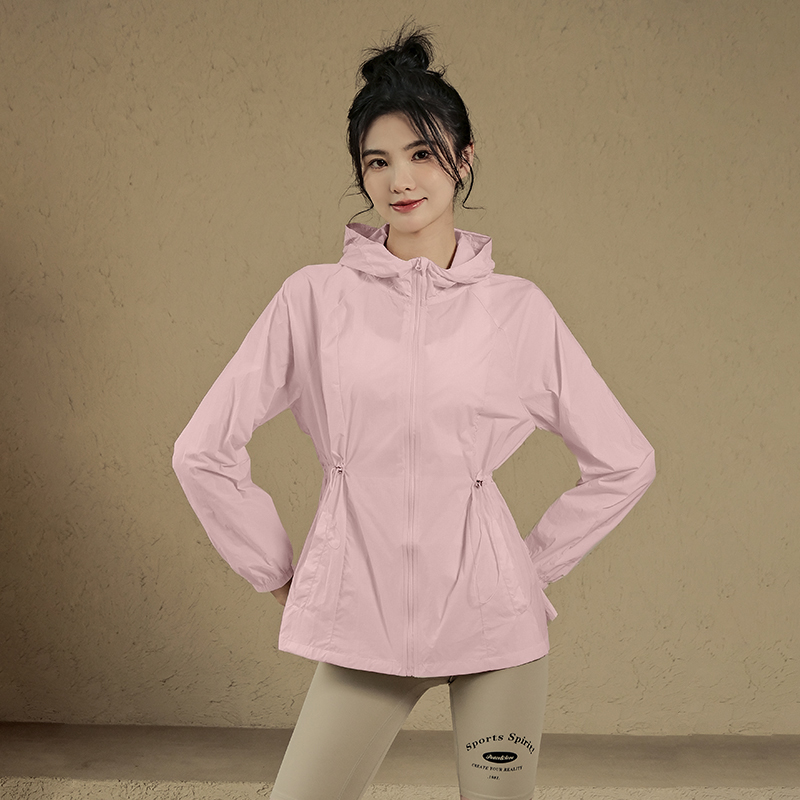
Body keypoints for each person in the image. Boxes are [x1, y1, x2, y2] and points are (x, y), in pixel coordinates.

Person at [172, 23, 656, 800]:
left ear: (463, 158)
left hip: (494, 629)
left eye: (422, 153)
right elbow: (201, 450)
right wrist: (281, 573)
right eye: (378, 161)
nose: (400, 179)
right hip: (363, 623)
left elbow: (626, 461)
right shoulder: (313, 300)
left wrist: (528, 569)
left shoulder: (518, 311)